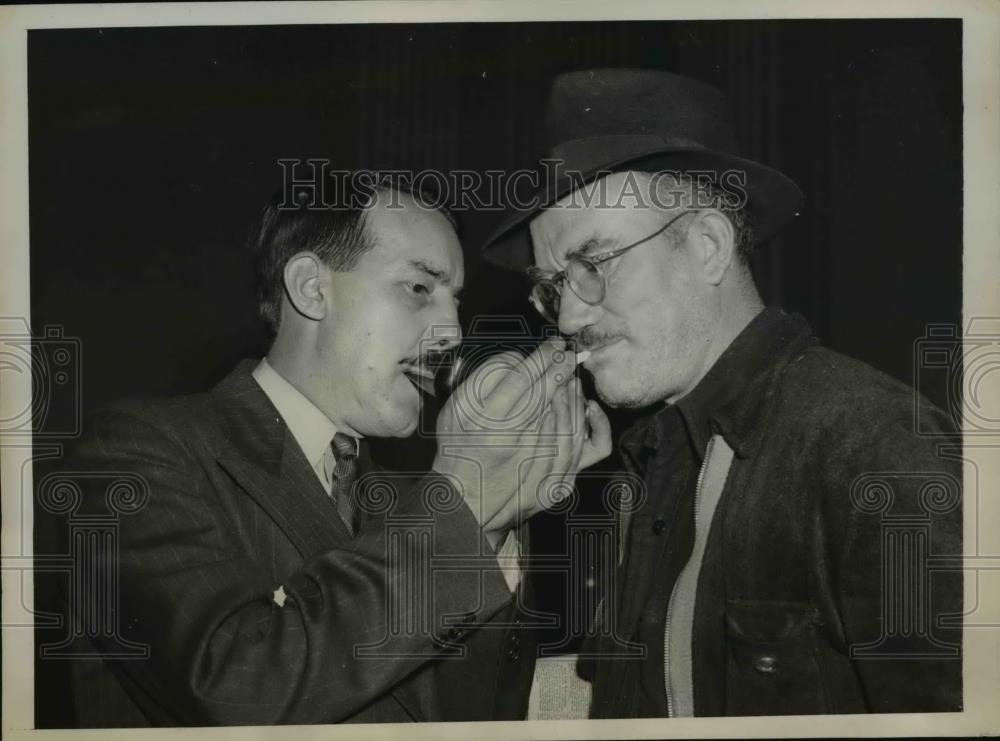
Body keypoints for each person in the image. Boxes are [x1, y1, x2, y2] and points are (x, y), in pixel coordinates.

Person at [482, 68, 962, 717]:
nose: (567, 318)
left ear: (708, 245)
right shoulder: (655, 463)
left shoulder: (869, 445)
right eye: (553, 285)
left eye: (593, 266)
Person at [58, 182, 611, 726]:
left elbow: (466, 716)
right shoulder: (136, 450)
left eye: (455, 302)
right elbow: (235, 684)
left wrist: (491, 523)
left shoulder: (410, 501)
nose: (451, 332)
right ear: (311, 288)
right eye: (419, 287)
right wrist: (462, 501)